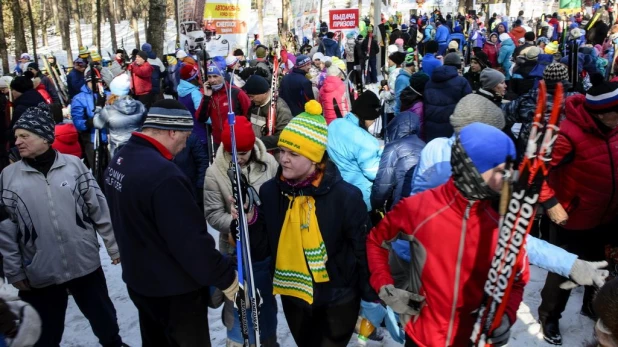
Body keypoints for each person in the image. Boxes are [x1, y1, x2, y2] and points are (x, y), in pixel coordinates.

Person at [367, 122, 528, 347]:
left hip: (472, 340)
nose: (509, 178)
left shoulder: (503, 223)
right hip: (421, 337)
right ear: (473, 170)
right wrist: (386, 287)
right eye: (501, 170)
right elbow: (376, 241)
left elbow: (517, 278)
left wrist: (506, 315)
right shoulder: (420, 209)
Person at [103, 99, 238, 346]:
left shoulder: (120, 160)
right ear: (172, 131)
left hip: (141, 281)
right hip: (174, 291)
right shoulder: (164, 175)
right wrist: (227, 277)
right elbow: (190, 243)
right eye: (185, 137)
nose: (185, 145)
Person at [242, 110, 378, 346]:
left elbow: (362, 251)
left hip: (338, 297)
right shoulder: (271, 193)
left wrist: (370, 298)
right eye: (282, 151)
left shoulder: (345, 197)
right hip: (293, 296)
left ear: (315, 158)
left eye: (293, 153)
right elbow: (263, 250)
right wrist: (250, 219)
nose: (284, 159)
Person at [0, 103, 125, 347]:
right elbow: (6, 229)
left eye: (24, 136)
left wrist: (113, 246)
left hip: (84, 263)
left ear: (45, 137)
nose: (18, 142)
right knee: (44, 335)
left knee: (104, 320)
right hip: (40, 271)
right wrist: (14, 269)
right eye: (16, 137)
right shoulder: (8, 176)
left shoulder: (74, 166)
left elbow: (98, 209)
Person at [537, 74, 618, 345]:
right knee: (565, 270)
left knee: (602, 264)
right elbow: (536, 172)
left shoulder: (615, 129)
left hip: (607, 215)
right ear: (603, 114)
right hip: (572, 218)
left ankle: (593, 305)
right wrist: (550, 203)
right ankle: (549, 317)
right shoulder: (566, 134)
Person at [203, 116, 278, 347]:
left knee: (265, 304)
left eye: (245, 153)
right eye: (236, 153)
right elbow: (213, 214)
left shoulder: (269, 163)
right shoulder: (214, 173)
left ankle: (268, 341)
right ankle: (238, 342)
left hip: (263, 250)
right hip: (235, 253)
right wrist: (234, 220)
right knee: (238, 305)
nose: (241, 158)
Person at [327, 92, 383, 211]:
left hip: (334, 190)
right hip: (359, 197)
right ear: (366, 115)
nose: (373, 123)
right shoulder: (366, 140)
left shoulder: (334, 124)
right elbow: (373, 173)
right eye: (373, 119)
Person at [370, 110, 425, 211]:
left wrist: (375, 205)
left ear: (396, 127)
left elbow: (383, 184)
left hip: (400, 205)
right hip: (421, 205)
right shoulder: (425, 146)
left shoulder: (393, 148)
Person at [196, 64, 251, 152]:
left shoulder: (236, 92)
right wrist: (206, 97)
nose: (212, 80)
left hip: (236, 139)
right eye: (209, 77)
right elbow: (201, 118)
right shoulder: (209, 94)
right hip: (219, 142)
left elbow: (249, 113)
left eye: (215, 76)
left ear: (222, 76)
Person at [423, 52, 472, 142]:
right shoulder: (462, 82)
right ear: (458, 66)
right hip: (452, 129)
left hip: (431, 129)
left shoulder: (429, 82)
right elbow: (469, 105)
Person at [94, 74, 147, 156]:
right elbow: (144, 122)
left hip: (118, 149)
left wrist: (98, 108)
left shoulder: (108, 110)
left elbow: (97, 124)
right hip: (138, 145)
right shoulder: (139, 105)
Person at [243, 74, 293, 150]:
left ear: (264, 93)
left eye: (252, 96)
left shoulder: (280, 108)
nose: (250, 99)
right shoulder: (254, 105)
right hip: (256, 150)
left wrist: (258, 142)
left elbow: (284, 135)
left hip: (273, 153)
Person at [71, 72, 108, 168]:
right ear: (87, 82)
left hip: (110, 138)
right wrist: (90, 122)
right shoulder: (79, 98)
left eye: (97, 81)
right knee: (97, 168)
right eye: (92, 82)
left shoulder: (109, 95)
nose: (95, 84)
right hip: (92, 138)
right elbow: (78, 122)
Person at [9, 76, 46, 144]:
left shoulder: (21, 107)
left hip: (27, 144)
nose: (11, 92)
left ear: (18, 89)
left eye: (12, 89)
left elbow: (14, 131)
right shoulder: (39, 98)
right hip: (43, 141)